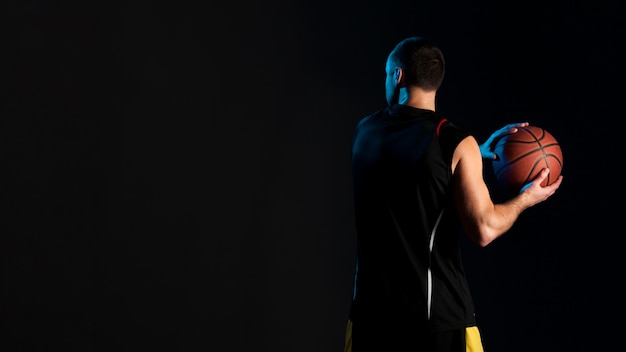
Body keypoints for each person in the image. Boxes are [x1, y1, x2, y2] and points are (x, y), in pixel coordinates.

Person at [343, 36, 563, 352]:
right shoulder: (454, 142)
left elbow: (411, 166)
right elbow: (484, 229)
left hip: (370, 320)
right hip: (436, 322)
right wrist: (527, 198)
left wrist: (475, 153)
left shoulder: (365, 131)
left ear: (398, 76)